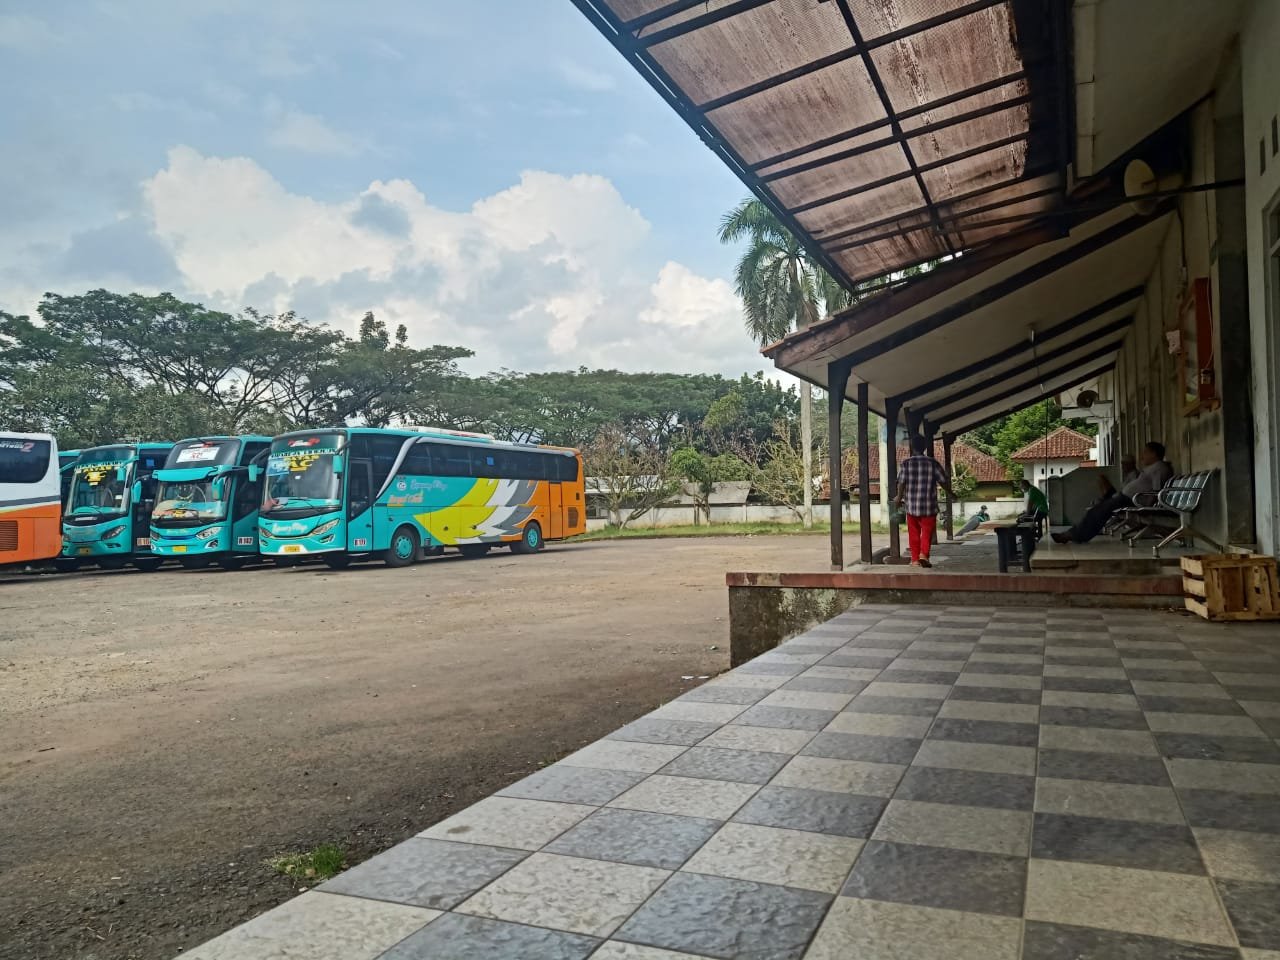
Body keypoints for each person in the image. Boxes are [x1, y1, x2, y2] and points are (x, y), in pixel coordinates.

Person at [1052, 440, 1172, 544]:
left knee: (1099, 512)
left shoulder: (1160, 468)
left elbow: (1158, 490)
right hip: (1126, 498)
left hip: (1132, 500)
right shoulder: (1152, 468)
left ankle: (1075, 535)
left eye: (1145, 452)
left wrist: (1147, 506)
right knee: (1095, 510)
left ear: (1154, 454)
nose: (1142, 456)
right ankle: (1073, 534)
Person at [894, 435, 952, 568]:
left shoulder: (906, 463)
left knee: (913, 533)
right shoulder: (933, 463)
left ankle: (914, 560)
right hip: (929, 505)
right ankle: (924, 555)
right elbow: (943, 482)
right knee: (927, 532)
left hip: (911, 505)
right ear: (925, 447)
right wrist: (951, 493)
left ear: (912, 447)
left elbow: (901, 483)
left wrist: (898, 497)